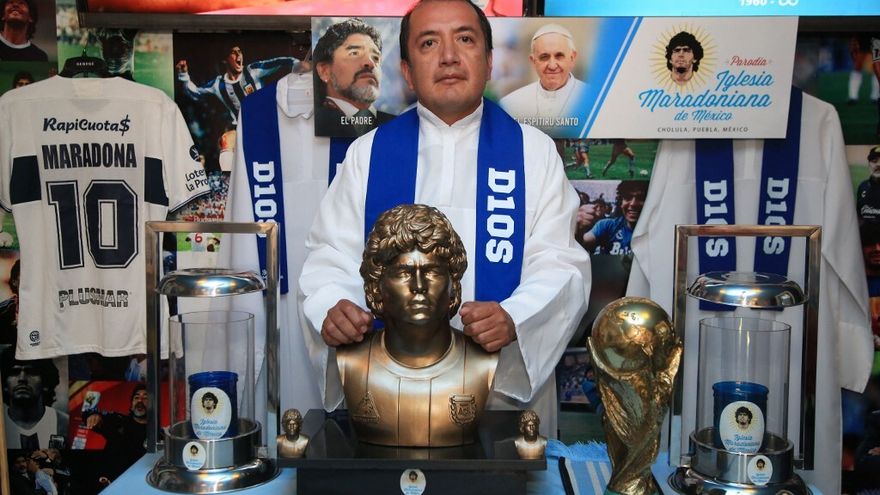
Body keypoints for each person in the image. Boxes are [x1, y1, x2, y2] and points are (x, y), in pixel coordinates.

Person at [299, 0, 591, 439]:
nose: (449, 56)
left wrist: (516, 316)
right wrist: (332, 305)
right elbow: (330, 255)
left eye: (465, 39)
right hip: (390, 395)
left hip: (500, 397)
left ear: (488, 62)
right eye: (429, 43)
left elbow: (561, 263)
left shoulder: (533, 153)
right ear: (407, 71)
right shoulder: (369, 154)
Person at [336, 204, 498, 446]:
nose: (419, 286)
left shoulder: (482, 360)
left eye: (432, 271)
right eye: (403, 272)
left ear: (453, 286)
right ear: (376, 288)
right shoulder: (351, 360)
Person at [176, 43, 299, 126]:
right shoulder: (218, 84)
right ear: (225, 60)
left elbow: (279, 62)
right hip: (242, 130)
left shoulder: (252, 71)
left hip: (266, 124)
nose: (238, 55)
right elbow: (195, 93)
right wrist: (183, 75)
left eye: (239, 51)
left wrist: (297, 64)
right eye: (233, 52)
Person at [313, 18, 394, 137]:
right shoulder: (311, 123)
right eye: (354, 53)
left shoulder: (396, 125)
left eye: (375, 57)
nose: (370, 63)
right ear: (324, 71)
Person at [499, 23, 585, 120]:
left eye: (559, 56)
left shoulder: (594, 100)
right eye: (544, 57)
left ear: (572, 58)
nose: (552, 66)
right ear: (533, 61)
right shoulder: (509, 104)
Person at [83, 383, 149, 485]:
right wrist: (93, 415)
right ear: (131, 405)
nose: (140, 401)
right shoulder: (119, 420)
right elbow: (89, 413)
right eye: (136, 397)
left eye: (145, 398)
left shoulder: (156, 433)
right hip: (109, 484)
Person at [2, 349, 67, 450]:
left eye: (31, 372)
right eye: (15, 372)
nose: (22, 379)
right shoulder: (2, 424)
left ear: (45, 382)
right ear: (4, 385)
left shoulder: (65, 424)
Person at [581, 181, 647, 255]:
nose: (633, 204)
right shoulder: (607, 225)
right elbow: (582, 243)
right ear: (621, 202)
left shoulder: (655, 232)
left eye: (641, 198)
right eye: (628, 198)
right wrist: (577, 228)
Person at [857, 145, 880, 223]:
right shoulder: (863, 186)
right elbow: (859, 216)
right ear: (869, 164)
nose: (878, 164)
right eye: (874, 161)